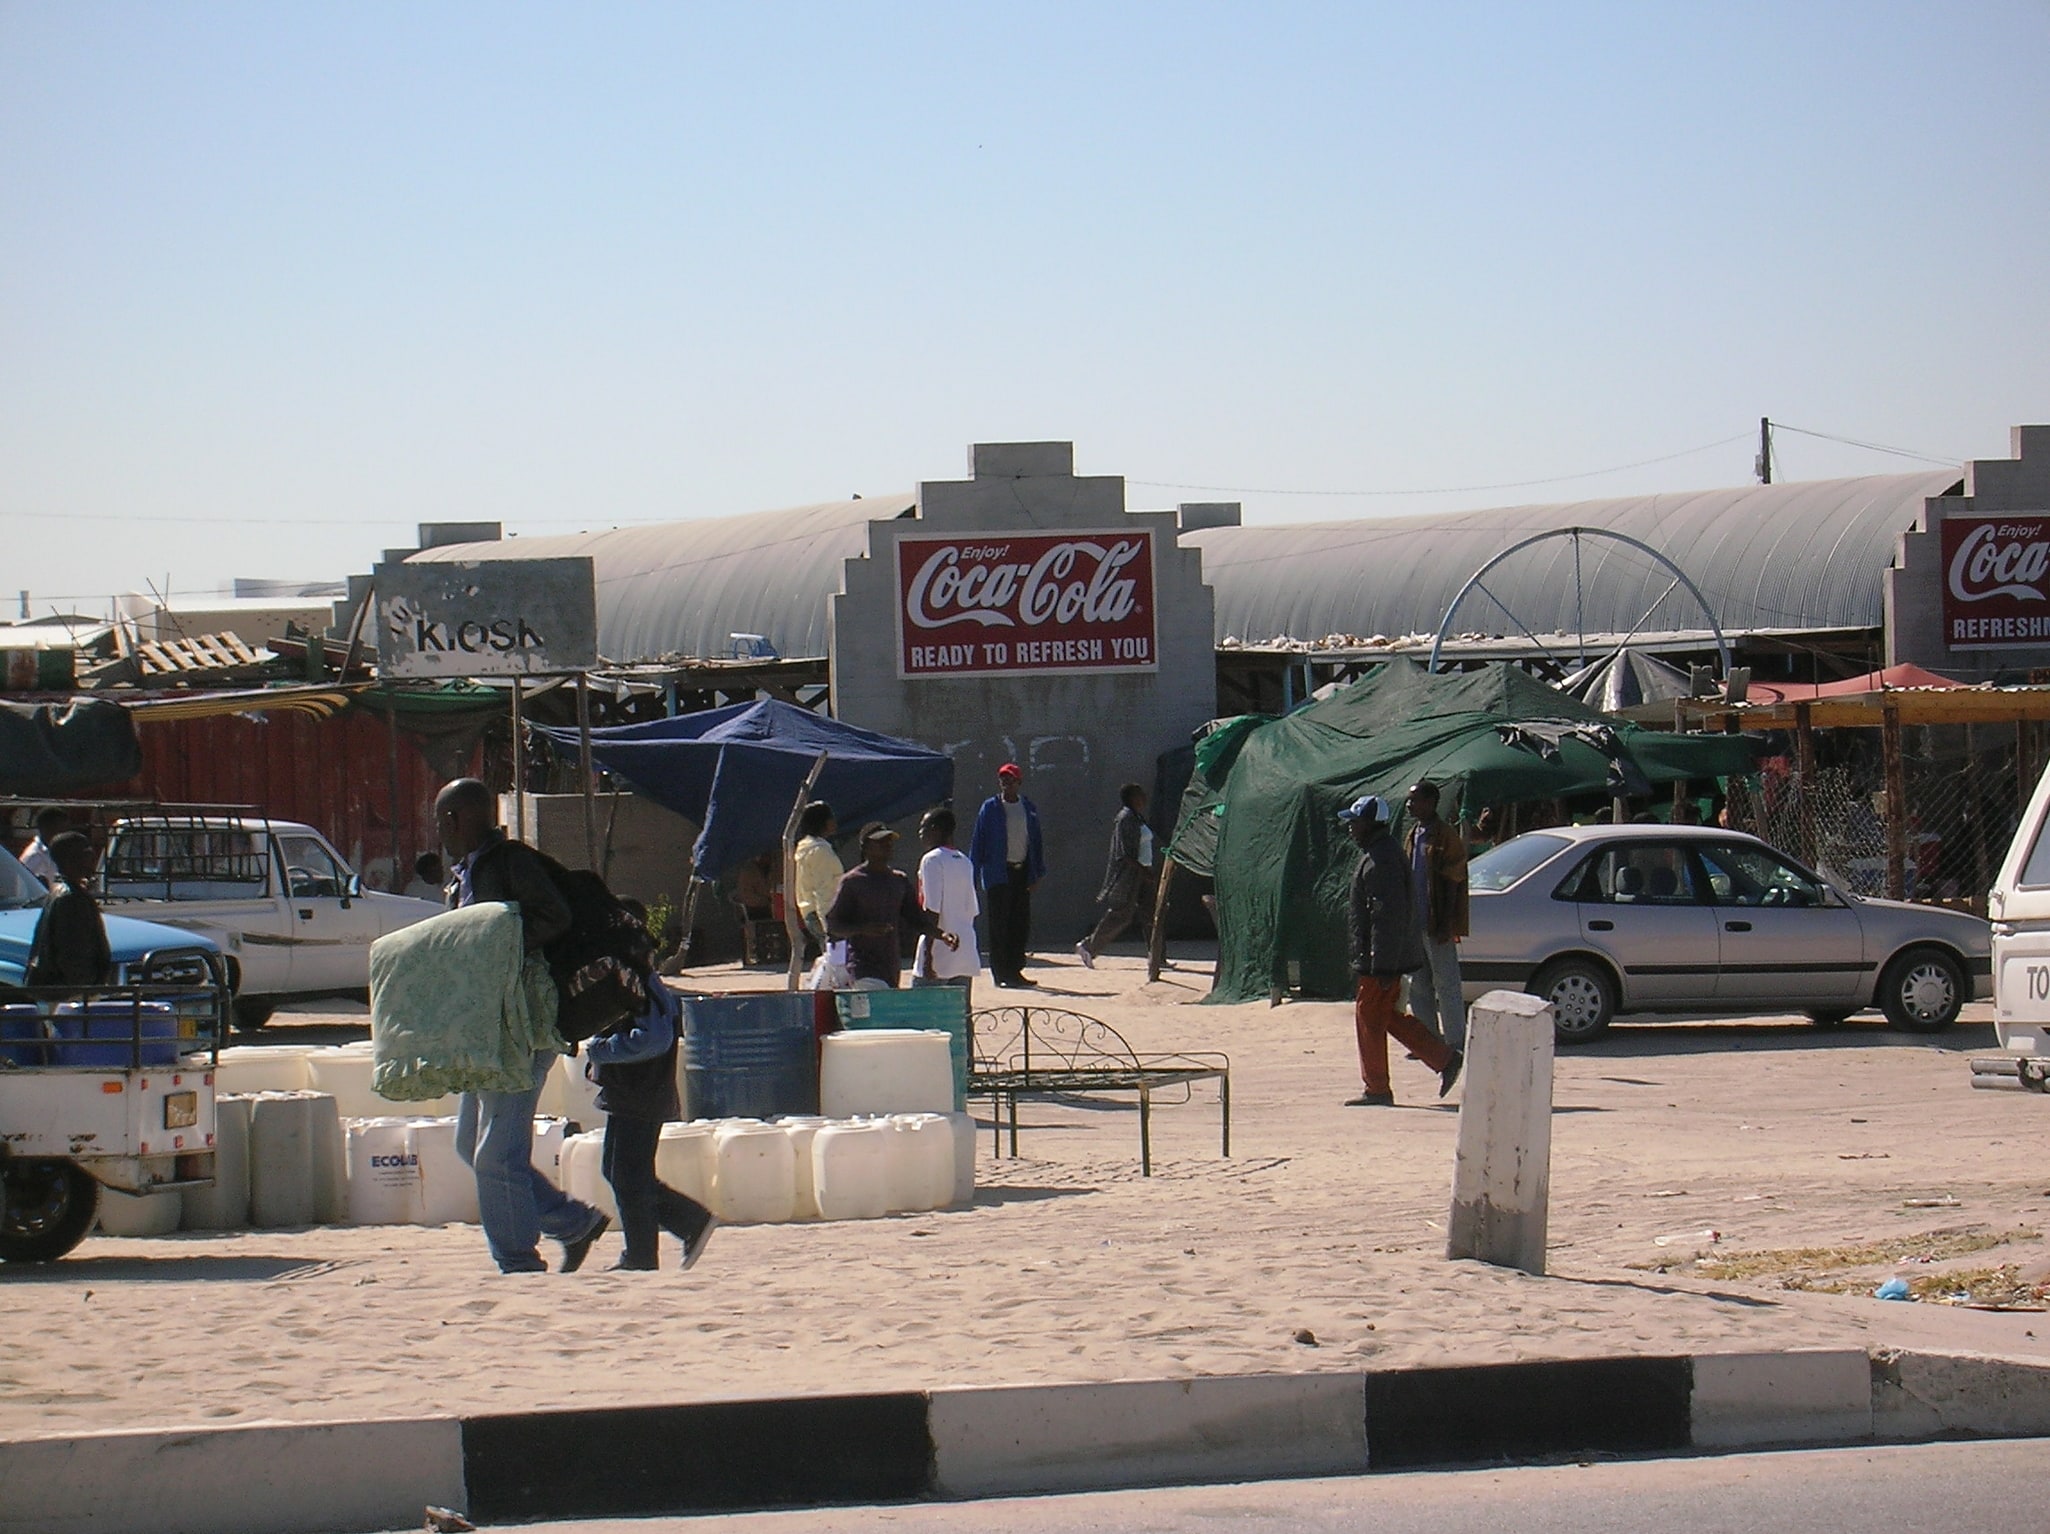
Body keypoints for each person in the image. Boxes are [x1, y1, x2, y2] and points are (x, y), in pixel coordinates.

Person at [436, 777, 610, 1275]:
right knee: (469, 1145)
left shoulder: (511, 863)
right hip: (487, 1026)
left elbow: (554, 917)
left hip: (524, 1024)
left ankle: (517, 1259)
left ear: (458, 818)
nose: (440, 833)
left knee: (498, 1152)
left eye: (441, 822)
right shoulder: (467, 873)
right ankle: (570, 1223)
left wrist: (495, 946)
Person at [587, 903, 716, 1273]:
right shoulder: (635, 979)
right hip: (632, 1093)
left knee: (629, 1174)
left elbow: (654, 1039)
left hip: (641, 1093)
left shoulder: (640, 983)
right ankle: (682, 1226)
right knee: (618, 1171)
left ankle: (648, 1250)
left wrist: (603, 1051)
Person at [1340, 795, 1461, 1108]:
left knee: (1368, 1018)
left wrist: (1382, 966)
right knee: (1385, 1017)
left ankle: (1377, 1088)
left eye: (1355, 821)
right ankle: (1444, 1058)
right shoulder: (1383, 853)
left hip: (1380, 961)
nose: (1351, 827)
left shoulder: (1381, 860)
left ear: (1371, 823)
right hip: (1384, 959)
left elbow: (1387, 917)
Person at [825, 823, 953, 989]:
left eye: (890, 841)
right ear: (866, 848)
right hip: (862, 967)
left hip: (891, 968)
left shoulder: (899, 880)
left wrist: (942, 935)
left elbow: (916, 920)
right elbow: (833, 925)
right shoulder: (853, 882)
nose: (888, 846)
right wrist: (863, 929)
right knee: (875, 1011)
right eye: (881, 842)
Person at [1402, 780, 1470, 1055]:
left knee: (1447, 985)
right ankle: (1427, 1042)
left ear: (1430, 803)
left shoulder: (1445, 836)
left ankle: (1455, 1043)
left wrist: (1446, 922)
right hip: (1414, 924)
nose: (1409, 805)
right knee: (1418, 986)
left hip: (1436, 922)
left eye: (1414, 800)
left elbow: (1455, 878)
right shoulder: (1413, 834)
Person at [969, 763, 1045, 988]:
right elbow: (978, 841)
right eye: (1003, 779)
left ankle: (1015, 970)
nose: (1006, 783)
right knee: (999, 925)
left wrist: (1038, 872)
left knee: (1019, 923)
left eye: (1010, 779)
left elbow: (1036, 842)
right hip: (998, 874)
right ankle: (1000, 973)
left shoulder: (1028, 808)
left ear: (1019, 782)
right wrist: (972, 874)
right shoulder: (990, 808)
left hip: (1021, 873)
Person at [1076, 783, 1153, 968]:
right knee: (1122, 914)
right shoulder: (1125, 818)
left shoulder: (1137, 817)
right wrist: (1142, 871)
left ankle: (1157, 955)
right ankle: (1089, 946)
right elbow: (1124, 853)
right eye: (1140, 794)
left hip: (1144, 872)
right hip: (1131, 875)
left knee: (1151, 914)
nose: (1144, 797)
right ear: (1133, 797)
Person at [911, 807, 980, 1008]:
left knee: (923, 1016)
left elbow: (931, 910)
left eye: (923, 828)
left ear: (935, 829)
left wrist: (927, 957)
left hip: (939, 951)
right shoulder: (965, 861)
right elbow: (971, 909)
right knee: (959, 1018)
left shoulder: (931, 860)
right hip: (965, 950)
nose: (920, 834)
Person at [27, 832, 112, 988]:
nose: (92, 859)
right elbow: (73, 956)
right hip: (69, 994)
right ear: (70, 860)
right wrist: (85, 992)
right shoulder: (70, 899)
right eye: (86, 854)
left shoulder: (62, 893)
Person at [792, 801, 842, 960]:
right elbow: (824, 889)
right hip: (824, 913)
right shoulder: (820, 850)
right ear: (824, 822)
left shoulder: (805, 847)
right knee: (836, 961)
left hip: (810, 910)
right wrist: (829, 928)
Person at [20, 807, 69, 886]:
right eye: (60, 830)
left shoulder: (56, 851)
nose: (63, 835)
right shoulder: (34, 856)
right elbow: (28, 889)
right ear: (45, 828)